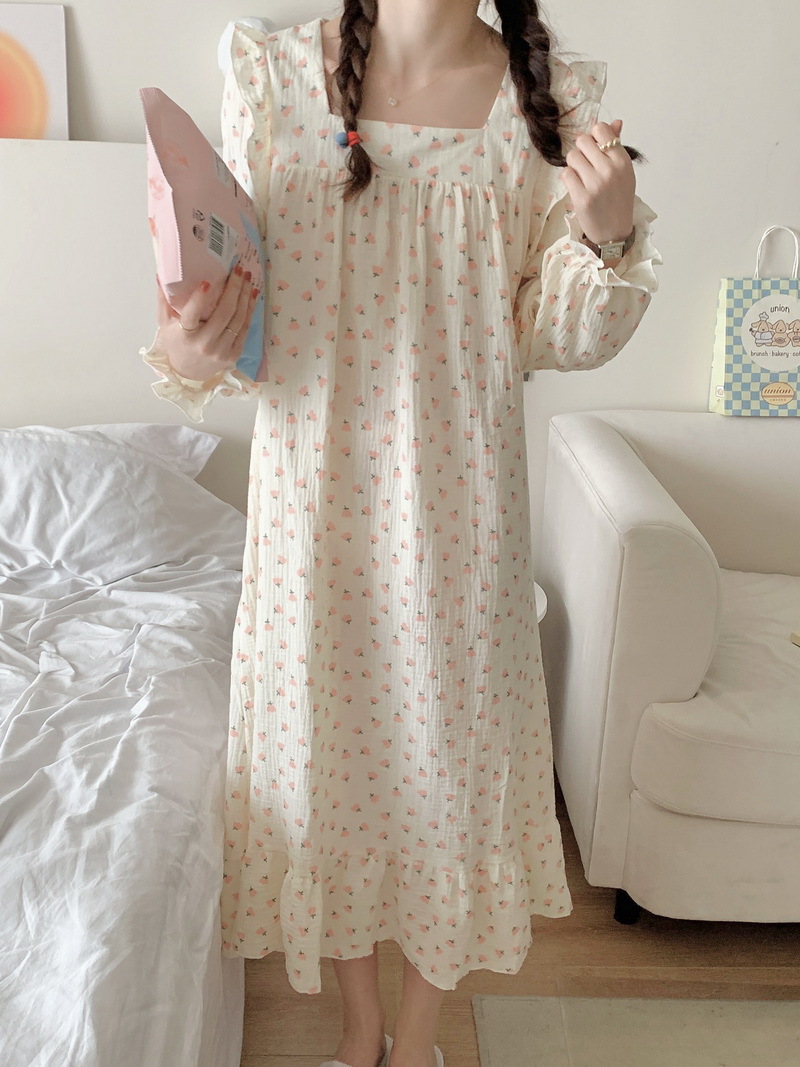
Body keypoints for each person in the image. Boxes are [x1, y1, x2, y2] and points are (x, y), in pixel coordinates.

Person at [140, 3, 661, 1065]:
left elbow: (554, 332)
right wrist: (193, 350)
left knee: (448, 781)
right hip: (311, 513)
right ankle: (360, 1029)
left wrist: (607, 235)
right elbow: (233, 301)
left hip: (458, 515)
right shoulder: (273, 79)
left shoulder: (545, 103)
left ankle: (416, 1042)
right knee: (328, 766)